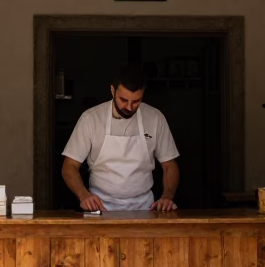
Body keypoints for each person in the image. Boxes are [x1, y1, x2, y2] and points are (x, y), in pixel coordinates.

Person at [61, 65, 180, 212]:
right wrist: (83, 195)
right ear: (112, 90)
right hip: (100, 207)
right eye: (123, 100)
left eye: (136, 101)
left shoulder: (155, 118)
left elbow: (169, 165)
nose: (129, 107)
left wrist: (167, 196)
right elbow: (69, 166)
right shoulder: (91, 119)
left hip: (144, 208)